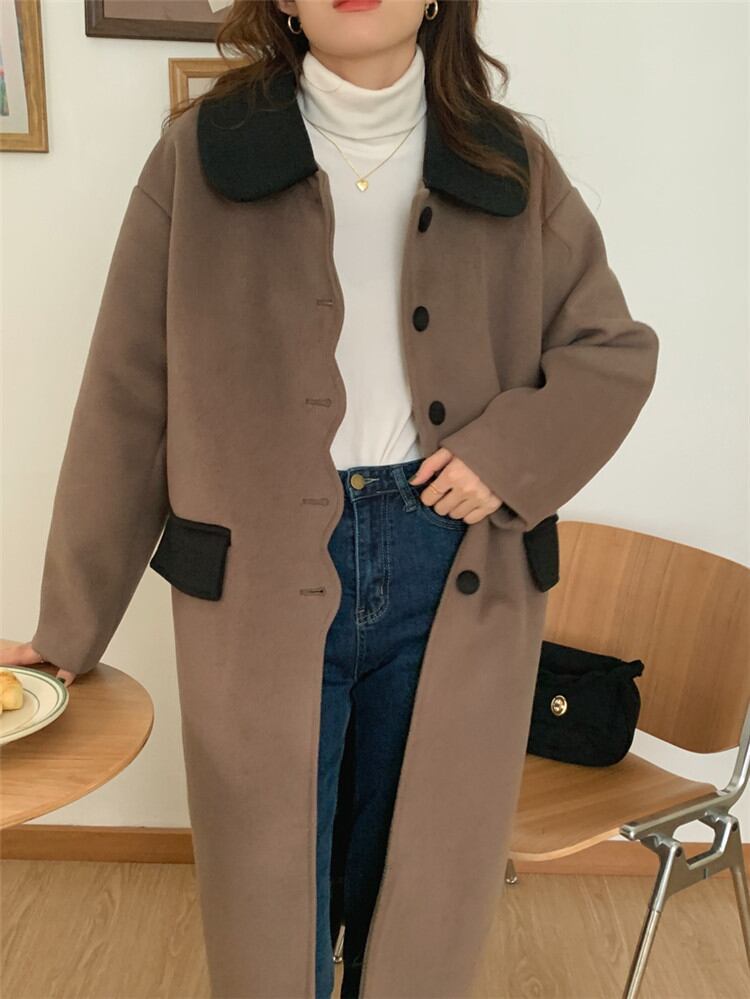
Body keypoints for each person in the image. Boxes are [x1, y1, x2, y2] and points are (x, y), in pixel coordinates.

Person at [3, 2, 659, 997]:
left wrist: (505, 456)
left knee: (417, 884)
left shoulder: (510, 162)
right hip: (258, 579)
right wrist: (68, 629)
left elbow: (613, 351)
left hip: (453, 567)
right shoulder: (199, 158)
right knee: (268, 890)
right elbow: (128, 400)